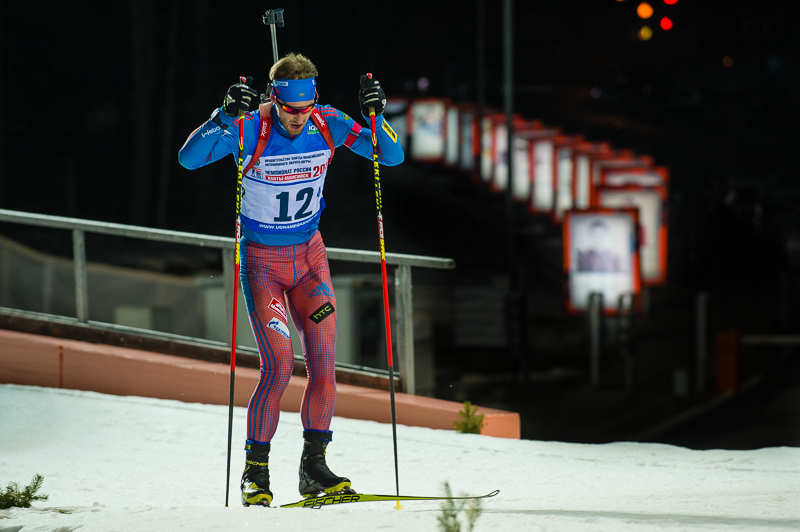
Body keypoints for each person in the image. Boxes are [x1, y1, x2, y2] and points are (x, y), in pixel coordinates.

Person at [178, 52, 404, 507]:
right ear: (273, 98)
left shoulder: (329, 123)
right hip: (263, 264)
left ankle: (313, 468)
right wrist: (222, 115)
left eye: (305, 109)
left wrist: (378, 117)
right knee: (280, 365)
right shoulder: (250, 126)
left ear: (314, 99)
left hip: (310, 261)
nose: (298, 119)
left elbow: (391, 156)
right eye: (289, 110)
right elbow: (189, 159)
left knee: (324, 366)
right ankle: (255, 472)